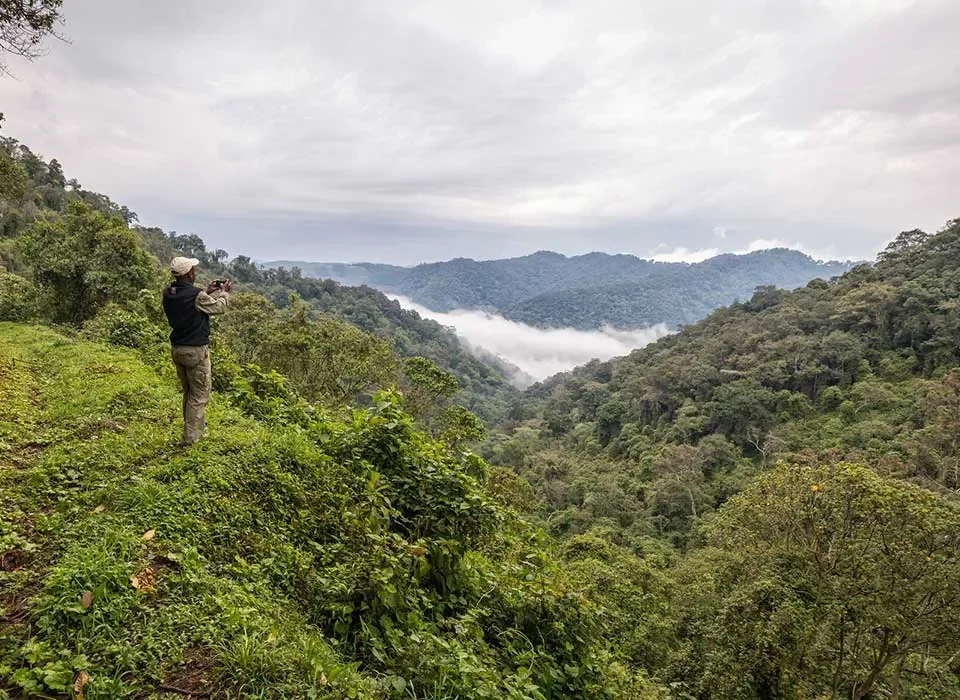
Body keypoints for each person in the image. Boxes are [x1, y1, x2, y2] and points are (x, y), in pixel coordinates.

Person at [162, 257, 232, 446]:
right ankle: (190, 439)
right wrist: (224, 293)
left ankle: (190, 432)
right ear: (189, 274)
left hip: (177, 349)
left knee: (189, 392)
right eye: (193, 270)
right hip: (195, 351)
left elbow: (192, 305)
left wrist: (207, 292)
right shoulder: (196, 295)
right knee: (200, 395)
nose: (195, 272)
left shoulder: (169, 292)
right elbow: (219, 308)